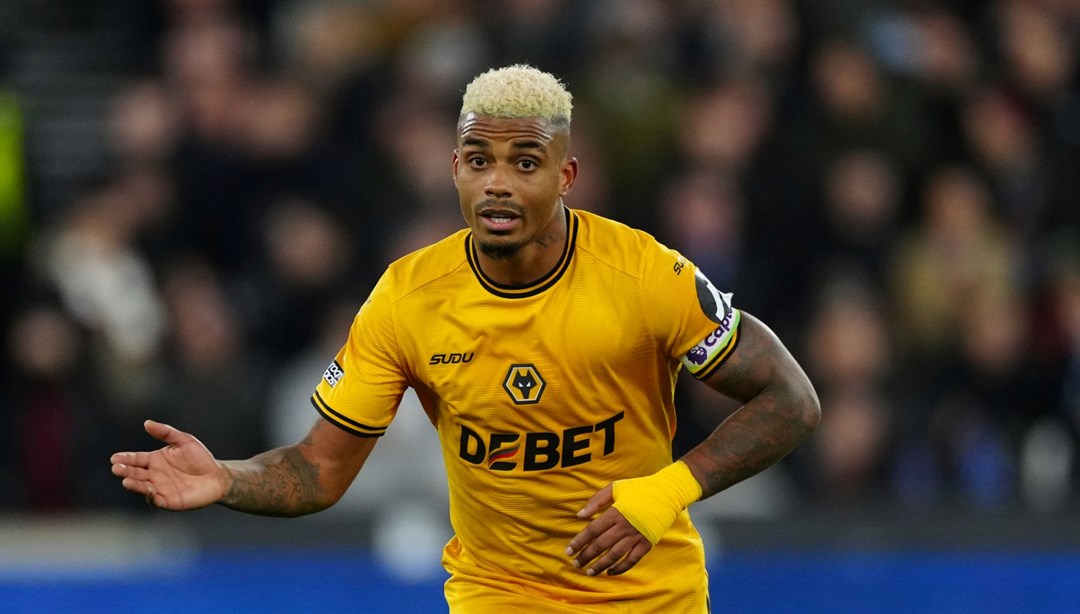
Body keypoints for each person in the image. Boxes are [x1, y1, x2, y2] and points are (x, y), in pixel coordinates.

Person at [111, 64, 820, 612]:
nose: (497, 184)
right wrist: (226, 477)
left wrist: (667, 491)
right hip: (496, 597)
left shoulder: (645, 276)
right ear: (455, 168)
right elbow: (320, 470)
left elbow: (791, 398)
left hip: (648, 599)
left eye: (525, 163)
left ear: (567, 175)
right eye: (479, 161)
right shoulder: (408, 299)